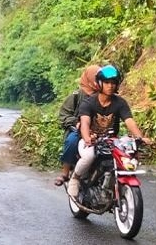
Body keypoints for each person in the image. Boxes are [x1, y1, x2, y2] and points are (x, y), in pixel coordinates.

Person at [67, 64, 148, 199]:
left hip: (112, 141)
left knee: (126, 156)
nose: (110, 86)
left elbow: (129, 121)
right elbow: (85, 122)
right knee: (89, 156)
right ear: (100, 83)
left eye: (113, 83)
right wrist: (87, 137)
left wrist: (140, 137)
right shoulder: (88, 103)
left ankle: (111, 186)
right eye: (106, 82)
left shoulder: (120, 103)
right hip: (91, 141)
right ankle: (75, 178)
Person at [54, 64, 101, 186]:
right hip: (79, 130)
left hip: (100, 130)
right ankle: (65, 172)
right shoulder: (76, 96)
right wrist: (76, 122)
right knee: (71, 141)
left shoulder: (104, 95)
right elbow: (63, 115)